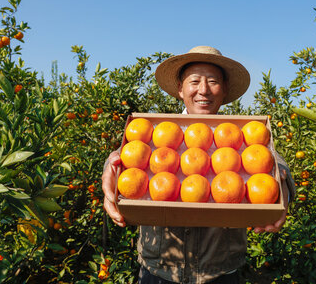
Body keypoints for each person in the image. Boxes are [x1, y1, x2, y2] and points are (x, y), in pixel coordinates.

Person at [102, 46, 295, 284]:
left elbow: (271, 160)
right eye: (194, 81)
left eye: (213, 81)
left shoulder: (238, 135)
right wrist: (109, 174)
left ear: (224, 90)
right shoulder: (158, 131)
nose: (203, 90)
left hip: (220, 274)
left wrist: (282, 180)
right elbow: (125, 158)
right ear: (180, 90)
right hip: (159, 271)